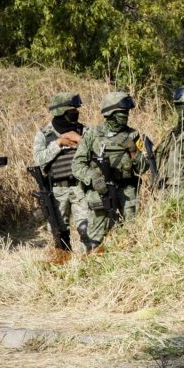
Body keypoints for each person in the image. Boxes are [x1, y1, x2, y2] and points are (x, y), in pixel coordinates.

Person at [71, 92, 144, 254]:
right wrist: (93, 178)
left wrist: (133, 150)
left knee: (132, 235)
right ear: (110, 113)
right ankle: (89, 264)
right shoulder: (93, 134)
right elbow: (77, 164)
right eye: (122, 112)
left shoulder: (133, 135)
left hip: (127, 193)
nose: (126, 115)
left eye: (127, 112)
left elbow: (143, 168)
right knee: (94, 239)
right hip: (100, 193)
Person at [32, 92, 88, 263]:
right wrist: (58, 144)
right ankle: (63, 264)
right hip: (57, 190)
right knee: (59, 233)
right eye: (72, 110)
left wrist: (80, 141)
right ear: (61, 112)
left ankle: (90, 263)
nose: (76, 113)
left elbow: (97, 152)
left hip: (80, 187)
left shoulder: (83, 130)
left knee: (87, 228)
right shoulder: (45, 134)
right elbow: (39, 160)